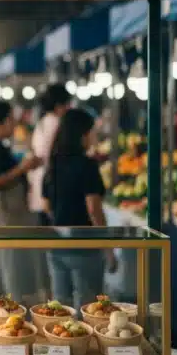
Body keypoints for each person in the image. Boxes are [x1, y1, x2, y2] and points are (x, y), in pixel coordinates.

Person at [43, 108, 117, 312]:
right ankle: (84, 344)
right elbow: (94, 208)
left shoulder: (53, 165)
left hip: (57, 244)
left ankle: (61, 343)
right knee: (89, 307)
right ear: (82, 134)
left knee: (60, 306)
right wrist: (108, 248)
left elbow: (46, 205)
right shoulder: (87, 165)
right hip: (85, 245)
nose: (95, 136)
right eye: (92, 131)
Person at [0, 100, 45, 304]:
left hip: (7, 214)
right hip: (3, 215)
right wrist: (23, 168)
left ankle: (6, 305)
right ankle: (9, 306)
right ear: (2, 122)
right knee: (8, 264)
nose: (14, 125)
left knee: (8, 263)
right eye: (11, 120)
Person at [29, 84, 71, 223]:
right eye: (67, 104)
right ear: (59, 105)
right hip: (52, 185)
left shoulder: (42, 122)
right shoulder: (58, 123)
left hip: (41, 183)